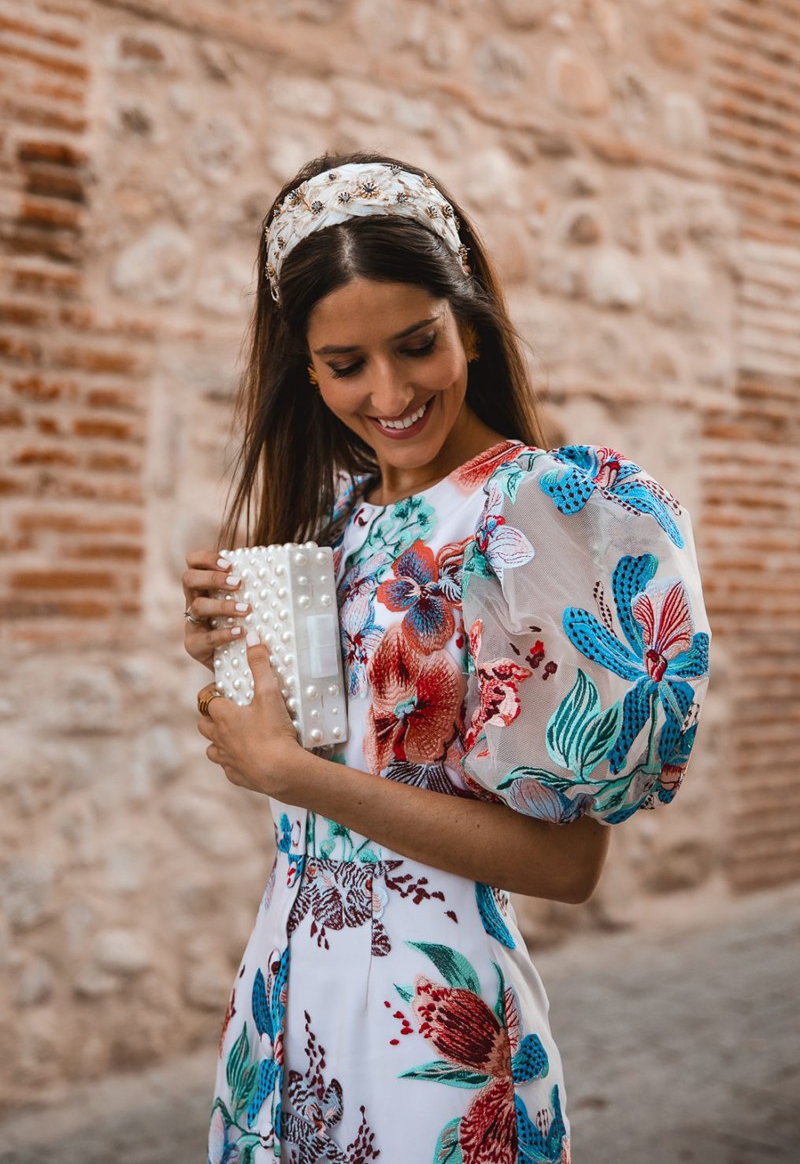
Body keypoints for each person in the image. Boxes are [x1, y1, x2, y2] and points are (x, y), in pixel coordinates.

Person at [182, 151, 711, 1164]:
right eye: (346, 366)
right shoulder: (330, 523)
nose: (388, 392)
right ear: (306, 368)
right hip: (281, 1007)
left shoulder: (537, 517)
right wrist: (231, 663)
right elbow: (314, 765)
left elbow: (568, 862)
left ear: (465, 319)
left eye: (416, 345)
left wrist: (290, 773)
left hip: (437, 1025)